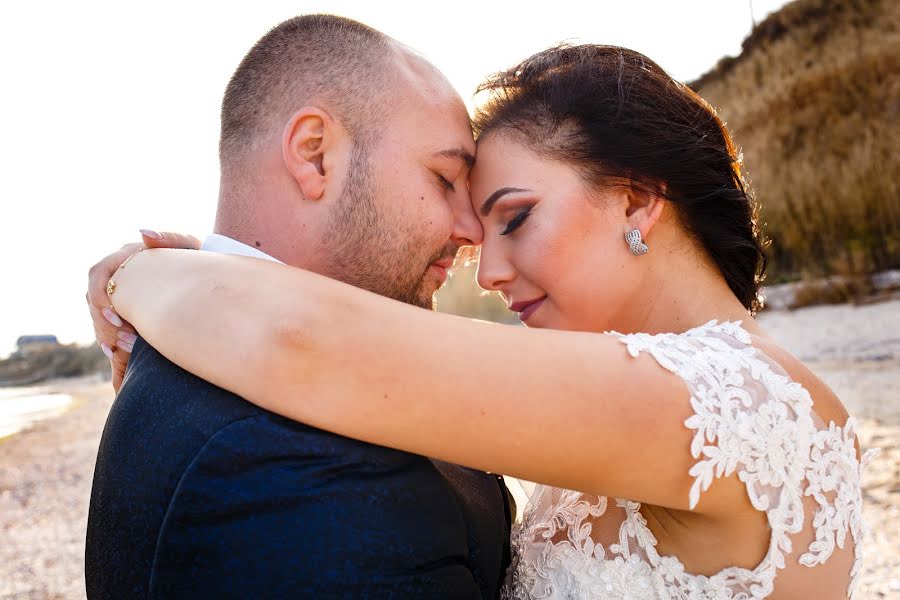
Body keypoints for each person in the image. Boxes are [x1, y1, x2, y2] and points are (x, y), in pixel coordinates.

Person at [89, 45, 877, 599]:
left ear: (637, 198)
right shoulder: (636, 386)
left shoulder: (735, 402)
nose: (488, 271)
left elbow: (308, 342)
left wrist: (138, 272)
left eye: (517, 217)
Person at [84, 15, 513, 600]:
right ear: (314, 156)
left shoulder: (187, 337)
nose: (472, 231)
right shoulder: (286, 466)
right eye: (444, 179)